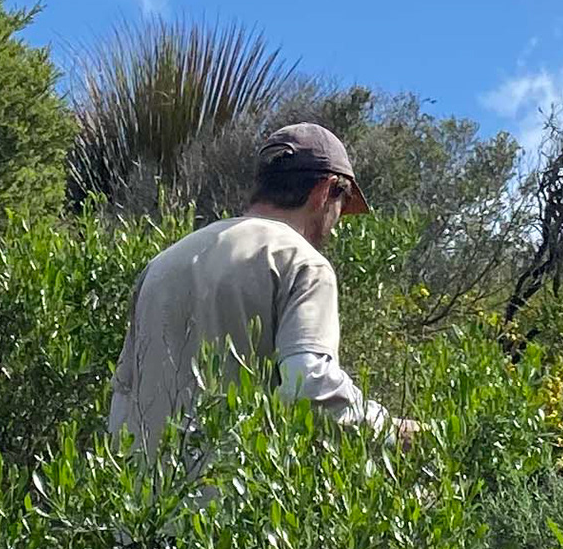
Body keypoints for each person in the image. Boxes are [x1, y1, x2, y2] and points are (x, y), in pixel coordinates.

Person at [106, 119, 424, 447]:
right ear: (325, 191)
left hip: (147, 477)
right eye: (341, 208)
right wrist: (390, 430)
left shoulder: (163, 263)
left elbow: (124, 393)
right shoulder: (303, 263)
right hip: (236, 478)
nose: (335, 224)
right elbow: (309, 386)